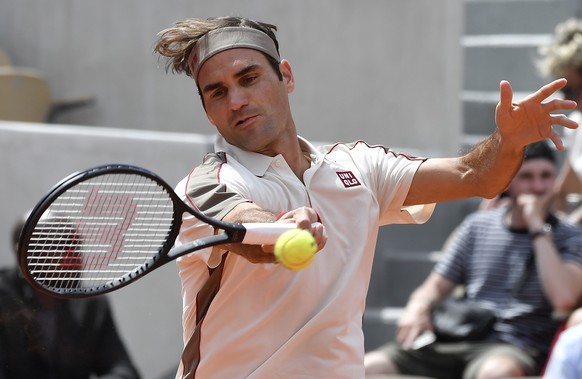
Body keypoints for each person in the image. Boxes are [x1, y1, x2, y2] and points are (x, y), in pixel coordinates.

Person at [152, 16, 579, 378]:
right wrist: (280, 230)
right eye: (218, 92)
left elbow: (475, 175)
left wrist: (507, 142)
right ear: (207, 110)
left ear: (286, 76)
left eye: (249, 78)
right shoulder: (204, 186)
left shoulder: (359, 168)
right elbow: (244, 225)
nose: (238, 101)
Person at [364, 141, 582, 378]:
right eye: (527, 177)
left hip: (512, 346)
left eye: (546, 176)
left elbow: (564, 298)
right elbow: (434, 287)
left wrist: (537, 228)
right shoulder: (477, 226)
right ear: (509, 183)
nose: (537, 186)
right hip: (456, 337)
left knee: (496, 372)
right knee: (370, 365)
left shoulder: (569, 235)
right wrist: (417, 308)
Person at [0, 212, 142, 379]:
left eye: (74, 245)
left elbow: (123, 371)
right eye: (59, 246)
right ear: (25, 256)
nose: (73, 257)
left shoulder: (92, 306)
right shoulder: (4, 300)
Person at [536, 18, 582, 221]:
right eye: (565, 91)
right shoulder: (576, 126)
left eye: (575, 90)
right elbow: (561, 191)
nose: (570, 100)